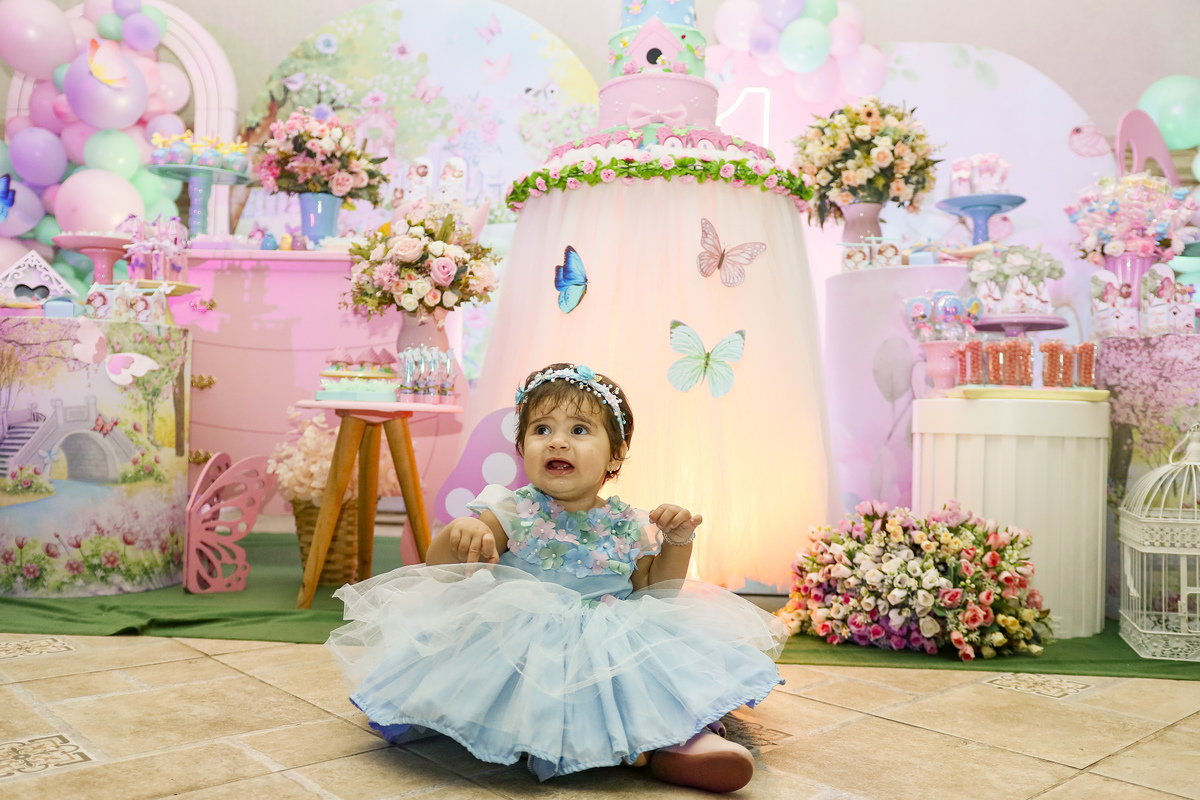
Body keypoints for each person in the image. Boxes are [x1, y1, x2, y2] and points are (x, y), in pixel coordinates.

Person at [326, 363, 788, 793]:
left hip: (610, 634)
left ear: (616, 454)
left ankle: (683, 745)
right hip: (524, 638)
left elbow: (655, 591)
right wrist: (460, 532)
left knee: (651, 680)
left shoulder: (629, 523)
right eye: (541, 429)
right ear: (522, 447)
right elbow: (441, 568)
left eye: (579, 430)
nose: (557, 442)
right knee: (539, 694)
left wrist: (677, 542)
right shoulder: (511, 509)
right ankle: (620, 747)